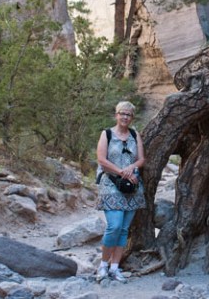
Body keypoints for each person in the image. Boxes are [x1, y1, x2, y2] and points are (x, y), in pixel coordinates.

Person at [95, 101, 146, 282]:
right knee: (114, 226)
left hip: (131, 187)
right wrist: (122, 172)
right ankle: (103, 265)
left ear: (132, 117)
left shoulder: (134, 135)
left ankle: (115, 268)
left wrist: (131, 168)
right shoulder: (107, 134)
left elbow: (141, 160)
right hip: (111, 184)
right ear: (116, 115)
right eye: (122, 113)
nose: (125, 117)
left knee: (124, 229)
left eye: (128, 114)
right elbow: (102, 160)